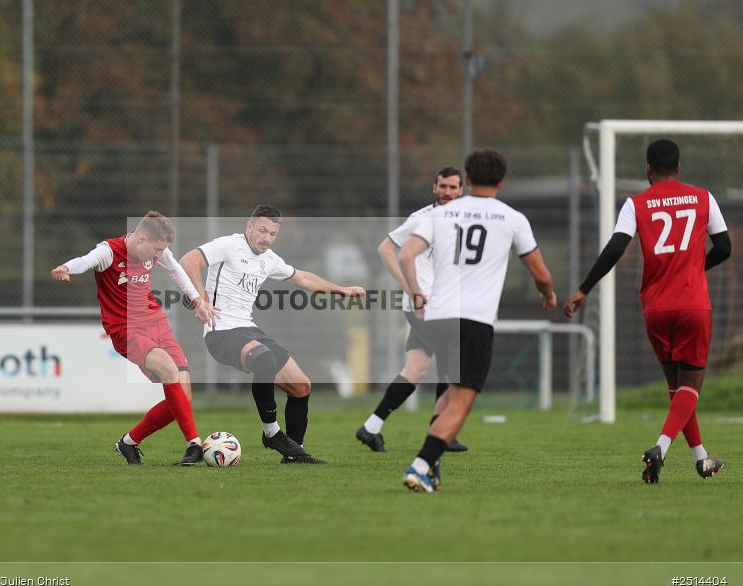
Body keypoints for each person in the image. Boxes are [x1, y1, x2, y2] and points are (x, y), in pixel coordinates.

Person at [564, 138, 731, 484]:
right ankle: (660, 448)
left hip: (655, 307)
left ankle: (701, 459)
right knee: (691, 386)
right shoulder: (703, 197)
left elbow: (614, 248)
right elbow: (725, 247)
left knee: (677, 388)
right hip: (692, 304)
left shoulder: (636, 203)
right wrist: (695, 268)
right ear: (679, 167)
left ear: (648, 170)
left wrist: (584, 288)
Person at [399, 149, 557, 493]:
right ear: (501, 181)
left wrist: (415, 292)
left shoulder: (441, 213)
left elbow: (405, 253)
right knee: (463, 400)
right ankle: (421, 465)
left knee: (450, 392)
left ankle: (433, 465)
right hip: (475, 318)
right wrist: (548, 295)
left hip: (438, 316)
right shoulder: (511, 218)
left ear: (466, 180)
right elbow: (541, 273)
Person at [180, 205, 365, 464]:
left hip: (248, 329)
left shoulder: (269, 259)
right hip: (220, 332)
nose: (266, 238)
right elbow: (189, 260)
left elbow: (304, 279)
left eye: (273, 233)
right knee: (264, 359)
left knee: (301, 386)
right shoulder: (229, 245)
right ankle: (272, 433)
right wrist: (200, 300)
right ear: (249, 226)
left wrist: (342, 290)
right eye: (262, 230)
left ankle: (294, 454)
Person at [51, 211, 218, 467]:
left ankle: (128, 443)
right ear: (141, 239)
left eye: (163, 250)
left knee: (182, 397)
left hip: (156, 322)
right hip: (125, 329)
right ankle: (194, 443)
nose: (159, 255)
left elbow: (176, 272)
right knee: (167, 367)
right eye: (157, 249)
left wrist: (197, 301)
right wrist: (66, 267)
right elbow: (85, 261)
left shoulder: (157, 252)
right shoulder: (109, 252)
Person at [356, 167, 468, 453]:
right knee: (451, 368)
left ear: (461, 190)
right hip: (425, 306)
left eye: (453, 187)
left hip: (441, 305)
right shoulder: (421, 218)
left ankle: (371, 427)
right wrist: (412, 288)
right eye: (442, 186)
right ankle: (442, 431)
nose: (447, 192)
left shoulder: (462, 220)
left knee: (415, 370)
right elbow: (385, 249)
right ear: (434, 188)